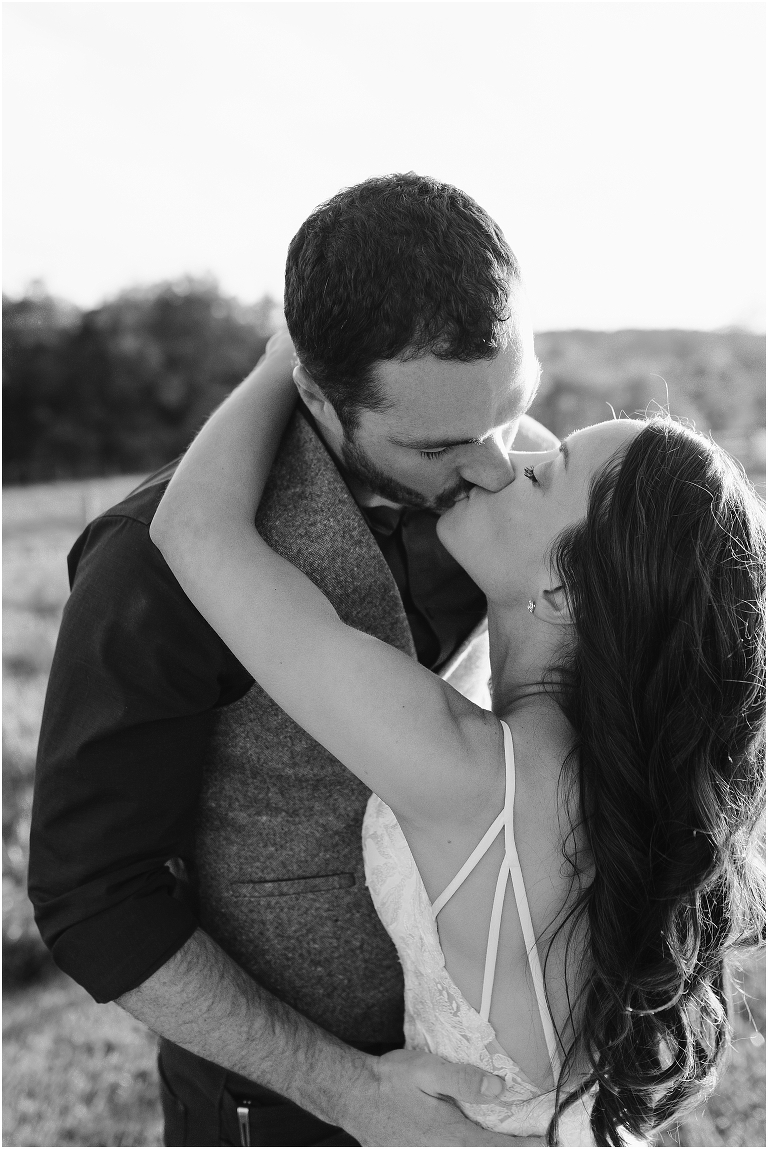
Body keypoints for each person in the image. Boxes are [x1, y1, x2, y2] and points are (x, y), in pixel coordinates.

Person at [29, 173, 561, 1147]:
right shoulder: (155, 563)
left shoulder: (529, 490)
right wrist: (351, 1095)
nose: (497, 463)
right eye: (441, 442)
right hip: (280, 1112)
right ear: (316, 390)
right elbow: (93, 898)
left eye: (514, 406)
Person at [149, 334, 766, 1146]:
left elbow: (194, 532)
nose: (504, 460)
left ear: (561, 586)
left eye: (541, 473)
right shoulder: (607, 771)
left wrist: (293, 356)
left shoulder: (472, 772)